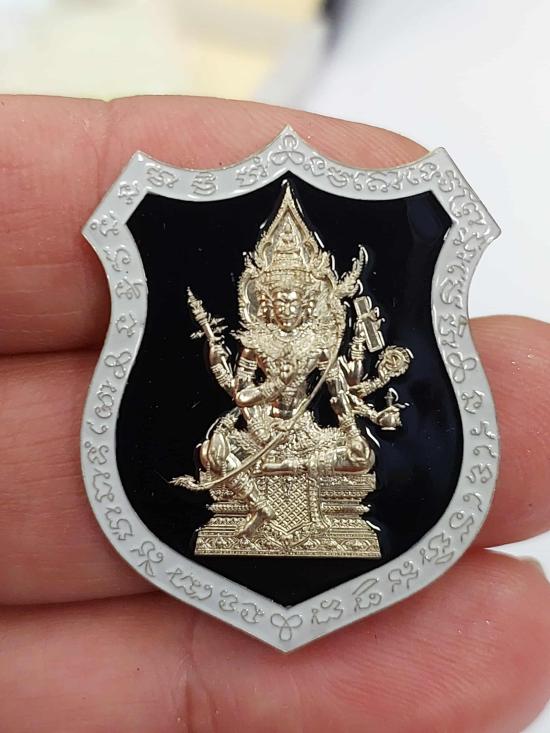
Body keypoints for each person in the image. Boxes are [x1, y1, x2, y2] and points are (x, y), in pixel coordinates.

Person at [0, 95, 549, 732]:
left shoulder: (322, 341)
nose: (286, 305)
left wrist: (369, 390)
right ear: (260, 296)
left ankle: (286, 508)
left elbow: (343, 396)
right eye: (276, 296)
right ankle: (261, 507)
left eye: (296, 296)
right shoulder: (256, 341)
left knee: (352, 455)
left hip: (308, 437)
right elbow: (242, 393)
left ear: (311, 296)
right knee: (222, 452)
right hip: (261, 429)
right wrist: (220, 359)